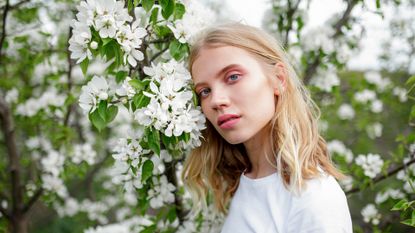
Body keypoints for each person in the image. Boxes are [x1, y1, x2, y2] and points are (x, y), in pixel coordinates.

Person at [182, 23, 353, 233]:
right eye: (205, 91)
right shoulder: (234, 184)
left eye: (233, 77)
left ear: (278, 79)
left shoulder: (314, 198)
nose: (216, 100)